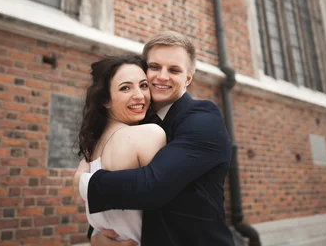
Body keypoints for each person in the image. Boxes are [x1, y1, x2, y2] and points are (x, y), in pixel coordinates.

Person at [74, 31, 235, 246]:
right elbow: (122, 201)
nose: (162, 76)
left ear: (188, 79)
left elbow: (152, 187)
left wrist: (85, 182)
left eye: (174, 70)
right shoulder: (134, 120)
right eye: (155, 67)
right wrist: (96, 237)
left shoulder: (203, 119)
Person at [74, 54, 166, 244]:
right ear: (105, 100)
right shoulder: (148, 134)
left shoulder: (90, 154)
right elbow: (174, 213)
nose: (140, 96)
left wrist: (96, 239)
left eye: (143, 85)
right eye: (125, 88)